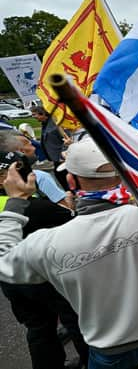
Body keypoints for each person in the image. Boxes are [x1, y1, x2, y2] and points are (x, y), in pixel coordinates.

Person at [0, 139, 138, 368]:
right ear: (121, 174)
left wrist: (15, 203)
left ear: (71, 180)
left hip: (109, 346)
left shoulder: (49, 242)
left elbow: (4, 263)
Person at [0, 154, 88, 369]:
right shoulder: (37, 207)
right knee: (76, 322)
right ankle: (90, 362)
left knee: (38, 328)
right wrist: (70, 202)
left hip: (13, 283)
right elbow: (75, 220)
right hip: (48, 278)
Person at [30, 106, 68, 189]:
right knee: (61, 176)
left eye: (34, 114)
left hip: (61, 157)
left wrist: (64, 154)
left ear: (43, 114)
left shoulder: (55, 124)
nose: (33, 117)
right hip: (55, 158)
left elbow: (66, 140)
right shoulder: (45, 124)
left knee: (62, 176)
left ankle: (72, 193)